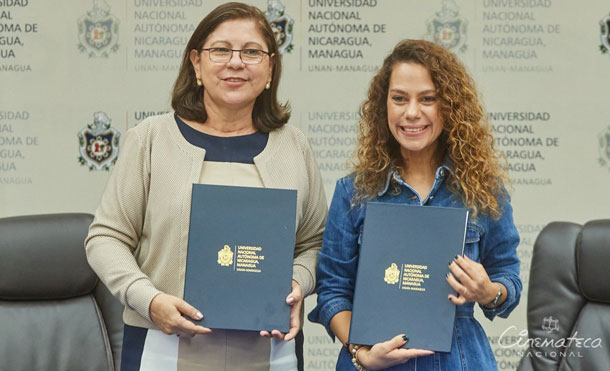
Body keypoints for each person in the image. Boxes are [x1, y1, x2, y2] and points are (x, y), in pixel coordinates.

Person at [85, 2, 327, 370]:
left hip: (270, 350)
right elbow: (105, 238)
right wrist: (148, 300)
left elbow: (315, 242)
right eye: (220, 50)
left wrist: (297, 281)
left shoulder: (294, 147)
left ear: (270, 68)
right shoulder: (151, 140)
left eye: (251, 52)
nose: (236, 62)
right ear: (196, 63)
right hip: (162, 344)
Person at [308, 39, 521, 370]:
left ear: (449, 106)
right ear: (384, 106)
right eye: (399, 99)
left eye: (428, 99)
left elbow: (508, 278)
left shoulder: (484, 190)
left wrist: (488, 290)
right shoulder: (353, 192)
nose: (411, 112)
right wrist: (360, 351)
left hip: (460, 360)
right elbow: (333, 291)